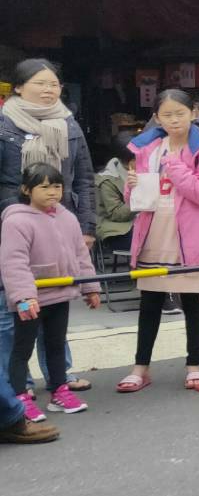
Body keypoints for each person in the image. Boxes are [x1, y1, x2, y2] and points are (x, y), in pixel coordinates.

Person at [116, 89, 199, 393]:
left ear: (193, 113)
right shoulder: (147, 145)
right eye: (167, 115)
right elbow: (137, 199)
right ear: (157, 117)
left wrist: (175, 166)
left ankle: (194, 364)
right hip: (154, 229)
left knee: (191, 301)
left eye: (180, 114)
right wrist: (131, 188)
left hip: (193, 234)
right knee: (150, 301)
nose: (174, 120)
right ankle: (140, 368)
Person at [0, 58, 97, 394]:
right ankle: (17, 382)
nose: (48, 90)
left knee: (55, 305)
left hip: (61, 224)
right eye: (40, 83)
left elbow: (84, 177)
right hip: (16, 226)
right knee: (16, 308)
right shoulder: (4, 125)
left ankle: (59, 376)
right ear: (18, 87)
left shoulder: (68, 124)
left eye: (54, 84)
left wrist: (86, 227)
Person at [1, 164, 101, 419]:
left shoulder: (67, 217)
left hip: (61, 293)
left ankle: (59, 390)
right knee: (21, 349)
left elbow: (80, 254)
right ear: (26, 189)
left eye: (56, 186)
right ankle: (20, 397)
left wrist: (90, 287)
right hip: (30, 299)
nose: (52, 193)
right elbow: (13, 262)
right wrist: (23, 297)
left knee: (56, 344)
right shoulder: (16, 220)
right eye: (44, 187)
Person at [94, 136, 138, 262]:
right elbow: (116, 213)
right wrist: (140, 200)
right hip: (118, 231)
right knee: (149, 239)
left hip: (141, 223)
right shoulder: (107, 180)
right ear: (130, 162)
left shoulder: (147, 171)